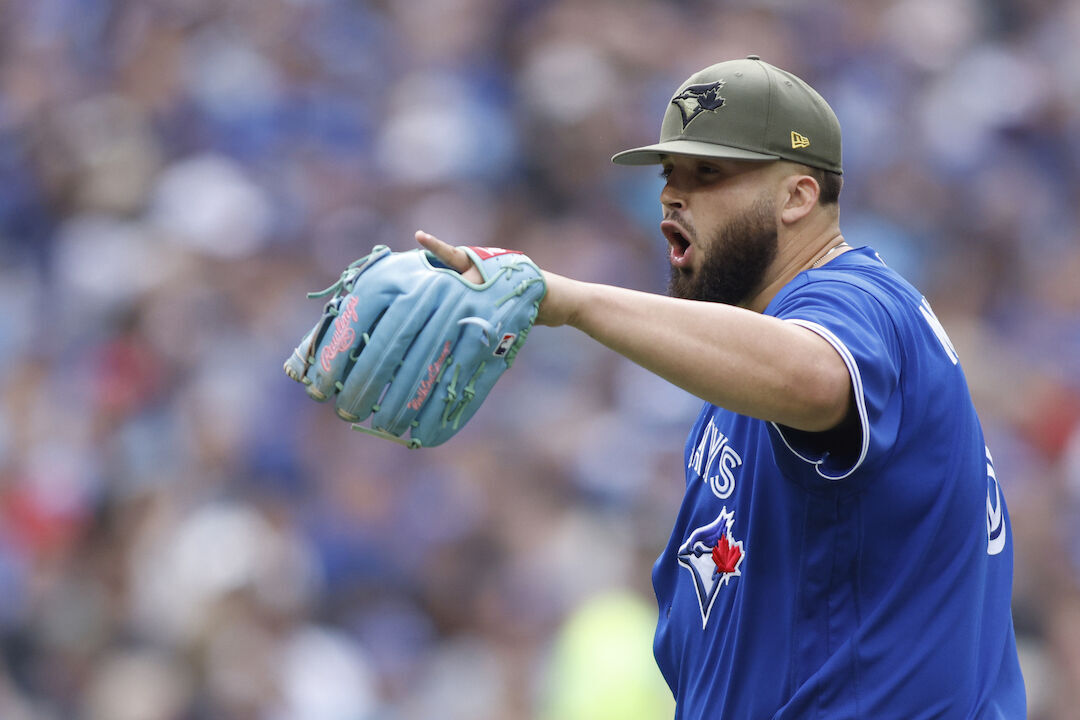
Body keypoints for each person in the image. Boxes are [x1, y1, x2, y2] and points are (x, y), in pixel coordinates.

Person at [418, 56, 1026, 718]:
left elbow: (816, 376)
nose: (673, 196)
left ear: (798, 196)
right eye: (669, 175)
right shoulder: (736, 380)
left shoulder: (861, 298)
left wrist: (571, 302)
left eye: (709, 173)